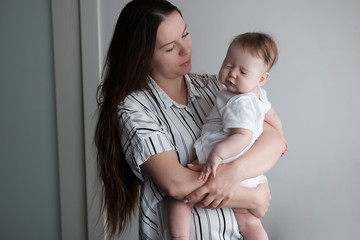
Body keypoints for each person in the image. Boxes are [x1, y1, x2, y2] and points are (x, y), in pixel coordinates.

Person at [94, 0, 286, 239]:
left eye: (185, 34)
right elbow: (176, 184)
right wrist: (252, 197)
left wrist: (235, 171)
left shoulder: (215, 87)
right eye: (170, 47)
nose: (185, 49)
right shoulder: (134, 109)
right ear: (142, 56)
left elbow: (273, 140)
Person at [167, 32, 287, 240]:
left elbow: (242, 136)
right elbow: (272, 115)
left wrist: (217, 154)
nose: (232, 74)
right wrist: (280, 136)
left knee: (179, 199)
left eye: (243, 71)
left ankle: (179, 236)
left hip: (224, 159)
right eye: (228, 64)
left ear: (262, 78)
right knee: (250, 223)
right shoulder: (258, 95)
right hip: (250, 173)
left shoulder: (238, 102)